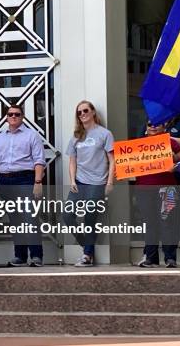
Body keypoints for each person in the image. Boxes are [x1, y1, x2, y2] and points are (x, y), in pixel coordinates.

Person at [0, 105, 45, 267]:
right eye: (10, 114)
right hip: (5, 181)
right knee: (15, 221)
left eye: (17, 114)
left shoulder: (31, 135)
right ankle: (20, 256)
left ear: (23, 116)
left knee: (30, 218)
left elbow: (39, 160)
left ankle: (36, 256)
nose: (13, 116)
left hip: (25, 179)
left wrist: (38, 182)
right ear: (6, 117)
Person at [63, 100, 114, 267]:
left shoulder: (104, 134)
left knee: (89, 217)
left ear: (93, 112)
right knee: (67, 215)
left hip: (98, 182)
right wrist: (72, 180)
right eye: (79, 112)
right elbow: (72, 161)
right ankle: (87, 247)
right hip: (80, 182)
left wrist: (109, 182)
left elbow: (112, 160)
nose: (82, 114)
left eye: (85, 110)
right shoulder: (76, 136)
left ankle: (86, 255)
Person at [136, 121, 180, 268]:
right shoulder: (137, 145)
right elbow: (127, 166)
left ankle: (170, 258)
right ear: (145, 128)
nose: (153, 126)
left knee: (168, 222)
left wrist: (176, 165)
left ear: (164, 128)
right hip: (144, 189)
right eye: (149, 124)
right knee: (149, 224)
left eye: (157, 124)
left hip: (168, 189)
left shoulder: (170, 142)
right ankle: (151, 258)